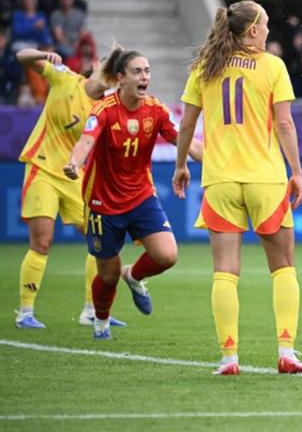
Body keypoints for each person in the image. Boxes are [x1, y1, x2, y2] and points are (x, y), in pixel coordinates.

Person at [172, 0, 302, 376]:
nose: (268, 31)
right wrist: (296, 170)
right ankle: (286, 352)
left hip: (220, 180)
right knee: (283, 268)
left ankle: (229, 357)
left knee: (225, 272)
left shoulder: (206, 67)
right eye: (265, 25)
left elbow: (186, 125)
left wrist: (182, 164)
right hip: (266, 179)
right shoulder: (272, 66)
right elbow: (284, 126)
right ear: (251, 31)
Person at [64, 46, 201, 340]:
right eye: (137, 71)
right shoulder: (103, 109)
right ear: (120, 78)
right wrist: (74, 163)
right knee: (107, 275)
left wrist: (219, 162)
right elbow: (86, 141)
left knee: (167, 255)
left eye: (148, 71)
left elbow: (186, 142)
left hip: (141, 196)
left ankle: (135, 276)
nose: (145, 77)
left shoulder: (155, 110)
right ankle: (101, 321)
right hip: (103, 202)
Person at [14, 47, 124, 329]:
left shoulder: (103, 110)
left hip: (76, 177)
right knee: (42, 241)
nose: (109, 77)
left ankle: (91, 310)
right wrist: (43, 53)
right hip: (43, 169)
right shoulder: (65, 79)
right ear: (96, 67)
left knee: (100, 241)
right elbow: (21, 57)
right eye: (107, 67)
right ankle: (25, 311)